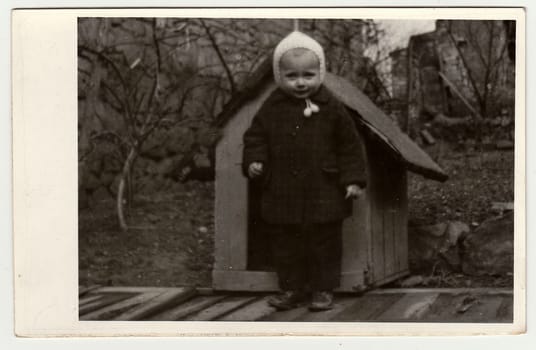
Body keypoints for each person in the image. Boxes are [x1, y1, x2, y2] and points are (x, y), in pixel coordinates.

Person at [242, 31, 367, 311]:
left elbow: (349, 145)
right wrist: (255, 159)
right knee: (286, 244)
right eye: (292, 76)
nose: (300, 83)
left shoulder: (331, 106)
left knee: (324, 242)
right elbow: (255, 136)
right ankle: (291, 289)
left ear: (320, 72)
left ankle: (323, 289)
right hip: (283, 191)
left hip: (323, 189)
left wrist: (354, 179)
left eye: (308, 75)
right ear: (279, 75)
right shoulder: (273, 106)